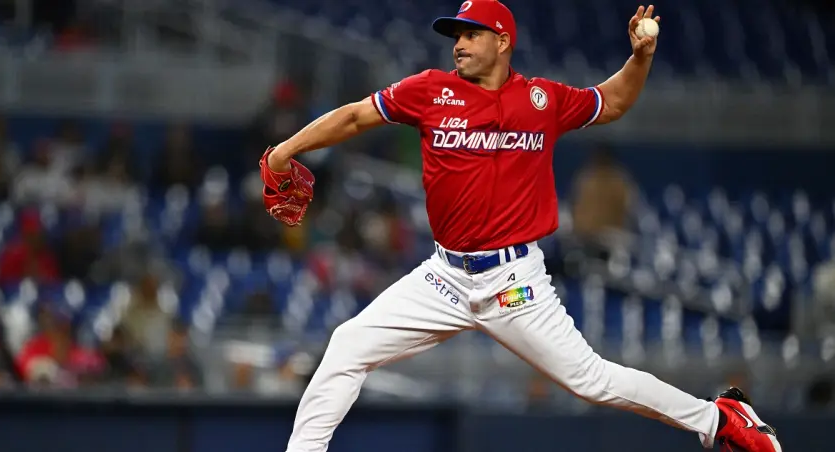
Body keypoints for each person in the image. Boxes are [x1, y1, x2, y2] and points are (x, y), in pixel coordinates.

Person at [261, 2, 781, 452]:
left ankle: (718, 420)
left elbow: (613, 101)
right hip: (443, 276)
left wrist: (640, 58)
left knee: (589, 380)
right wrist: (286, 150)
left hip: (513, 282)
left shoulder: (541, 100)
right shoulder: (430, 90)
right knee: (348, 345)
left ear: (502, 41)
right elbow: (355, 116)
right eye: (455, 36)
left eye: (471, 34)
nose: (458, 44)